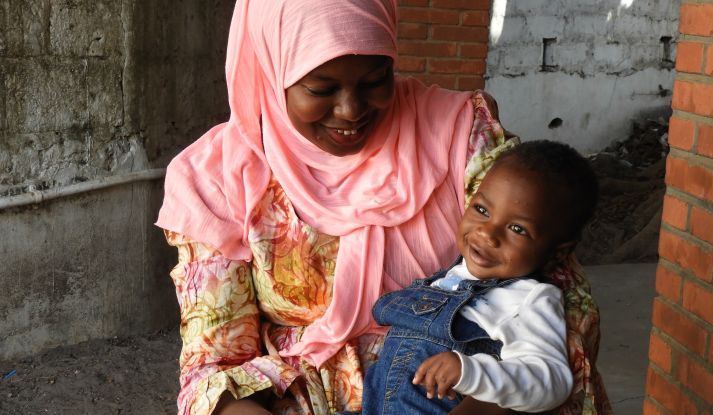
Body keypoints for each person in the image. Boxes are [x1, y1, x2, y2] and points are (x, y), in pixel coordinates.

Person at [155, 1, 612, 414]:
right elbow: (212, 367)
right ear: (272, 71)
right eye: (321, 88)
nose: (351, 109)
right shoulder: (217, 177)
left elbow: (564, 298)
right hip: (304, 397)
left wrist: (485, 399)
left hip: (465, 396)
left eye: (376, 80)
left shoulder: (455, 131)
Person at [338, 141, 597, 415]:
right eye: (482, 210)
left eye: (517, 229)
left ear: (557, 254)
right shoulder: (451, 278)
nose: (487, 233)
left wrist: (471, 371)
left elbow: (550, 382)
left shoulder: (529, 299)